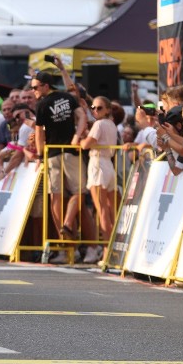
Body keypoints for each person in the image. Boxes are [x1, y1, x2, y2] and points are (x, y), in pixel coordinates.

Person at [32, 71, 100, 263]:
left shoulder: (44, 103)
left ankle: (69, 238)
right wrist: (76, 136)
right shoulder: (66, 99)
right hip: (67, 151)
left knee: (66, 196)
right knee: (71, 195)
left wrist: (40, 155)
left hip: (56, 153)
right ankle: (67, 245)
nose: (33, 91)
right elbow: (82, 118)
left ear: (46, 86)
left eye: (36, 87)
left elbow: (39, 135)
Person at [80, 97, 118, 261]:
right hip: (108, 165)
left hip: (98, 164)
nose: (95, 110)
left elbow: (86, 144)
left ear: (108, 109)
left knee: (103, 211)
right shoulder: (111, 125)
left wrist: (82, 138)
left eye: (99, 108)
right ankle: (113, 251)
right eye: (93, 107)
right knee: (110, 211)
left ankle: (106, 252)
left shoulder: (100, 124)